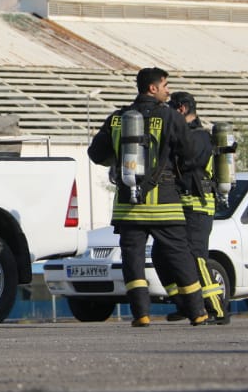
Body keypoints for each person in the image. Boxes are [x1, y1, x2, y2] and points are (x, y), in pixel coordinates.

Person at [87, 67, 209, 327]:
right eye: (165, 85)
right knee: (180, 256)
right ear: (153, 88)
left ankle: (141, 314)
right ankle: (197, 311)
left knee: (133, 260)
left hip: (127, 204)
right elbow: (188, 155)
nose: (168, 90)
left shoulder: (117, 118)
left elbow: (96, 154)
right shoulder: (170, 117)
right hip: (164, 201)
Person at [165, 91, 230, 324]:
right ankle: (187, 303)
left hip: (198, 206)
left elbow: (187, 161)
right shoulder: (183, 135)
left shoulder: (199, 136)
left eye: (171, 108)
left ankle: (217, 309)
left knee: (196, 257)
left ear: (181, 109)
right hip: (182, 204)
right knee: (162, 255)